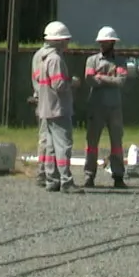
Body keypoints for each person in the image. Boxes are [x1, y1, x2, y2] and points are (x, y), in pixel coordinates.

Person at [36, 21, 82, 193]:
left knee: (51, 147)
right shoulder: (55, 59)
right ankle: (66, 181)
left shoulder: (43, 57)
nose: (67, 42)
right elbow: (59, 84)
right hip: (58, 108)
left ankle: (52, 180)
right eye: (65, 39)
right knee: (63, 145)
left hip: (47, 108)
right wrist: (73, 83)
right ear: (59, 40)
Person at [82, 26, 128, 189]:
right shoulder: (92, 60)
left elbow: (121, 81)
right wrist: (109, 79)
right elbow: (89, 79)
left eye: (105, 42)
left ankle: (118, 176)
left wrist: (100, 77)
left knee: (116, 144)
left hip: (114, 108)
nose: (102, 45)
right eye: (100, 42)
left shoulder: (120, 61)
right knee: (92, 143)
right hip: (96, 107)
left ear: (112, 43)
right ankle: (89, 176)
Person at [29, 41, 52, 187]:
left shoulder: (45, 54)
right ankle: (42, 172)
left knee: (49, 138)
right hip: (45, 101)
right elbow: (41, 79)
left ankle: (48, 171)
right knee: (45, 137)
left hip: (49, 101)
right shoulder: (43, 55)